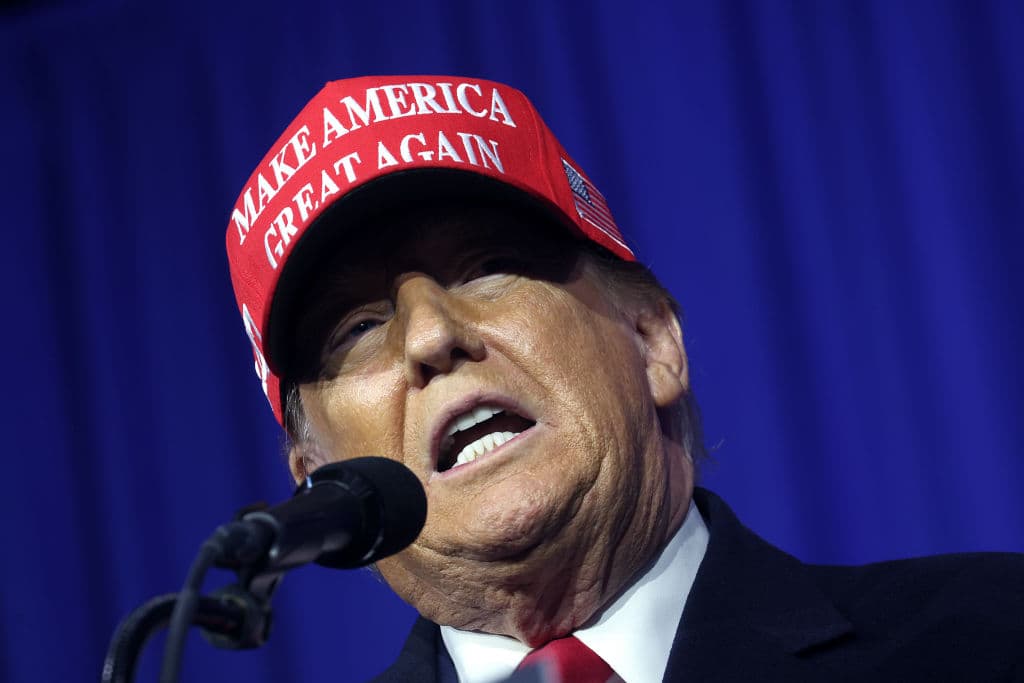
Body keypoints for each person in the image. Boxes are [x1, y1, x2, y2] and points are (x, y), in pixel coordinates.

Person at [225, 76, 1023, 682]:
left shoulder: (990, 637)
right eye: (357, 328)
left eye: (488, 268)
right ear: (319, 480)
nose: (431, 336)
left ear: (653, 341)